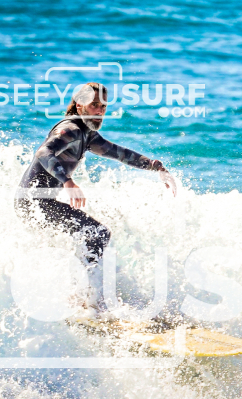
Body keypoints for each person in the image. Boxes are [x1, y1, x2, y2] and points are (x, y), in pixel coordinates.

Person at [15, 82, 176, 313]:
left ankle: (77, 296)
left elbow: (120, 153)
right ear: (79, 106)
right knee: (97, 232)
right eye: (94, 105)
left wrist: (155, 166)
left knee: (91, 233)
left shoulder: (87, 135)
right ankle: (86, 298)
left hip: (39, 203)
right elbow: (43, 152)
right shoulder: (70, 130)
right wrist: (67, 181)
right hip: (34, 203)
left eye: (103, 106)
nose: (99, 111)